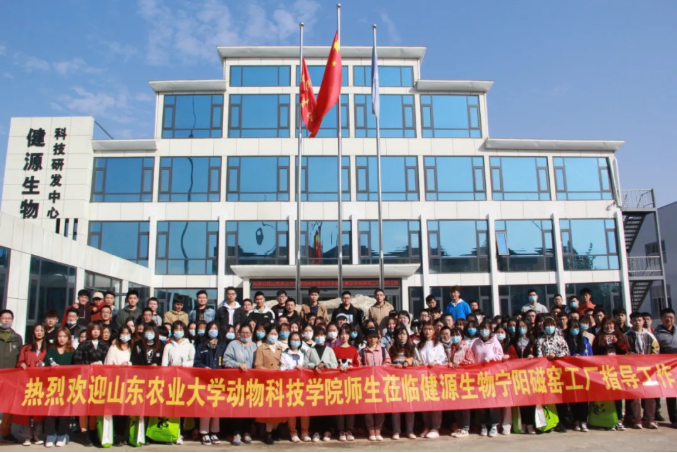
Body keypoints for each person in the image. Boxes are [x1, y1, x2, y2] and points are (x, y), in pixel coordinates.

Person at [73, 323, 109, 446]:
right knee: (83, 407)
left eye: (98, 330)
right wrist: (89, 366)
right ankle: (84, 433)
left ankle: (93, 432)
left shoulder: (104, 345)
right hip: (85, 378)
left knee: (95, 406)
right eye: (93, 330)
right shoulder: (83, 344)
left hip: (99, 379)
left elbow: (108, 362)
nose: (95, 332)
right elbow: (77, 361)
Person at [593, 317, 630, 431]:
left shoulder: (620, 335)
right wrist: (604, 344)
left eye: (611, 324)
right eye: (606, 324)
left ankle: (619, 419)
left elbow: (626, 350)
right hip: (604, 369)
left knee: (617, 396)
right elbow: (595, 352)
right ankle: (608, 420)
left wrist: (617, 342)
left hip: (617, 370)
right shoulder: (599, 336)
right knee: (606, 395)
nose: (608, 326)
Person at [223, 324, 257, 445]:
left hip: (251, 382)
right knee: (237, 406)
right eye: (243, 333)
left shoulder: (254, 346)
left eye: (248, 333)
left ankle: (247, 432)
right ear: (239, 333)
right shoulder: (233, 344)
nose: (245, 335)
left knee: (249, 407)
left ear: (251, 333)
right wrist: (237, 364)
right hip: (237, 382)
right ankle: (236, 432)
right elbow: (226, 360)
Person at [472, 321, 507, 436]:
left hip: (492, 375)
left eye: (486, 329)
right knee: (481, 403)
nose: (484, 331)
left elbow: (500, 356)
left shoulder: (495, 342)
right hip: (479, 376)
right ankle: (483, 425)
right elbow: (472, 357)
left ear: (490, 330)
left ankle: (493, 425)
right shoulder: (476, 342)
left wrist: (491, 357)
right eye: (482, 329)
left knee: (492, 402)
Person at [625, 312, 659, 429]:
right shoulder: (626, 336)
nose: (637, 322)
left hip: (648, 370)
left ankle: (650, 419)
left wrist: (650, 358)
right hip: (633, 371)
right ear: (630, 322)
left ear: (643, 321)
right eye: (634, 320)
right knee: (635, 397)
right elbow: (623, 352)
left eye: (639, 320)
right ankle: (637, 420)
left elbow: (656, 350)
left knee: (650, 396)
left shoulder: (650, 335)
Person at [194, 322, 226, 445]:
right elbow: (196, 362)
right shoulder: (201, 346)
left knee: (216, 406)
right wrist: (203, 367)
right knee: (205, 406)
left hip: (218, 381)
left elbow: (225, 361)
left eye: (215, 328)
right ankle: (204, 432)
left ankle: (214, 432)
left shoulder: (222, 346)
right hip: (205, 380)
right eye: (211, 328)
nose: (213, 330)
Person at [305, 326, 338, 442]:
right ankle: (316, 430)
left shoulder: (330, 350)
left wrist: (325, 364)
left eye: (322, 335)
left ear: (325, 336)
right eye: (317, 335)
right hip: (314, 383)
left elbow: (335, 364)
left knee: (327, 407)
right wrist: (314, 366)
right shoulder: (310, 350)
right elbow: (305, 364)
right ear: (314, 337)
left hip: (327, 383)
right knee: (315, 407)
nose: (320, 337)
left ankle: (327, 430)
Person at [254, 324, 286, 445]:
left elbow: (284, 363)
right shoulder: (261, 348)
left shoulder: (280, 348)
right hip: (266, 381)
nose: (273, 336)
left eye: (275, 334)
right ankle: (268, 433)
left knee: (278, 408)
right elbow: (258, 365)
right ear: (267, 334)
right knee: (269, 409)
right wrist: (269, 373)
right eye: (271, 333)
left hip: (278, 382)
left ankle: (275, 430)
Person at [44, 327, 76, 447]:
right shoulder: (51, 351)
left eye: (64, 336)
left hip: (67, 385)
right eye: (60, 336)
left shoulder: (72, 351)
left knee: (64, 411)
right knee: (51, 410)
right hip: (52, 385)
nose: (62, 339)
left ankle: (62, 434)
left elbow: (76, 368)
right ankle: (51, 434)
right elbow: (45, 366)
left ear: (68, 338)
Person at [15, 324, 46, 446]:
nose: (39, 332)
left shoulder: (48, 347)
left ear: (44, 332)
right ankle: (26, 436)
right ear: (33, 332)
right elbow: (20, 361)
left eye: (41, 330)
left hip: (42, 382)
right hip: (27, 382)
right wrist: (22, 364)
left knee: (39, 410)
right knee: (27, 409)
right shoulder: (26, 347)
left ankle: (37, 435)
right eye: (37, 330)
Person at [359, 329, 391, 441]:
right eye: (370, 337)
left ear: (378, 339)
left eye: (374, 337)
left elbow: (388, 362)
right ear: (367, 339)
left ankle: (378, 429)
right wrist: (366, 370)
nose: (372, 339)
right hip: (367, 383)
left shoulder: (383, 350)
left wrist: (380, 369)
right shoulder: (362, 351)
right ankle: (370, 430)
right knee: (369, 408)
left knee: (380, 408)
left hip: (380, 382)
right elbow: (359, 365)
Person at [387, 327, 419, 439]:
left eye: (404, 334)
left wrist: (408, 361)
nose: (402, 336)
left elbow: (419, 361)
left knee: (410, 407)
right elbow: (387, 363)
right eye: (400, 334)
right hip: (395, 382)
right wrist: (394, 366)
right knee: (396, 408)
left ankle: (410, 431)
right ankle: (396, 431)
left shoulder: (413, 347)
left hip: (409, 382)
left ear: (407, 335)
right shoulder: (391, 348)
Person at [104, 327, 132, 446]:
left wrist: (129, 364)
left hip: (130, 382)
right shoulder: (113, 348)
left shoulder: (132, 348)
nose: (125, 335)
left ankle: (124, 435)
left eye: (127, 333)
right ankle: (117, 436)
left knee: (127, 410)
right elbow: (108, 364)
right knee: (117, 410)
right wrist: (119, 366)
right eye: (123, 333)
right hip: (116, 381)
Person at [507, 320, 537, 434]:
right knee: (522, 400)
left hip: (531, 373)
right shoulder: (513, 341)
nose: (521, 328)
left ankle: (530, 424)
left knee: (531, 400)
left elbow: (538, 355)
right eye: (519, 326)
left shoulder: (532, 340)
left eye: (523, 326)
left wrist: (533, 357)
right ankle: (523, 424)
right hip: (518, 374)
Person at [417, 322, 446, 438]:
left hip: (435, 376)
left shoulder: (438, 344)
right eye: (425, 329)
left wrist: (436, 362)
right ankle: (427, 425)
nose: (427, 331)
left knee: (435, 401)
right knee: (425, 401)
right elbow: (417, 358)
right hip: (423, 376)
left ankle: (436, 427)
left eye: (429, 329)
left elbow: (443, 358)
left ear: (434, 331)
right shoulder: (419, 345)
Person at [563, 320, 593, 431]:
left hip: (583, 373)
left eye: (576, 327)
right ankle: (576, 421)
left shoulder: (585, 341)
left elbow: (590, 356)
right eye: (572, 327)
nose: (574, 330)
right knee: (573, 398)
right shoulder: (565, 341)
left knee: (584, 398)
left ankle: (583, 421)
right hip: (570, 373)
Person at [282, 332, 311, 442]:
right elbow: (281, 369)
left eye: (297, 339)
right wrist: (293, 368)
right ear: (289, 341)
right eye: (293, 339)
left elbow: (308, 366)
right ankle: (293, 432)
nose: (295, 342)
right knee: (292, 409)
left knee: (305, 409)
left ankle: (304, 431)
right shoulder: (285, 354)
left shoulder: (304, 353)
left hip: (303, 385)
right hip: (290, 385)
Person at [445, 327, 474, 438]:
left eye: (457, 335)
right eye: (453, 335)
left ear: (462, 336)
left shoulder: (466, 348)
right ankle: (459, 426)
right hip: (454, 379)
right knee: (456, 404)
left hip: (464, 379)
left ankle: (465, 428)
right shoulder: (451, 348)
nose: (455, 337)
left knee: (464, 405)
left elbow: (472, 362)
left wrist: (461, 363)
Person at [655, 308, 677, 427]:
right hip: (666, 366)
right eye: (666, 317)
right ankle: (674, 419)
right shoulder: (657, 333)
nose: (668, 319)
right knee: (671, 392)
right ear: (661, 319)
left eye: (671, 317)